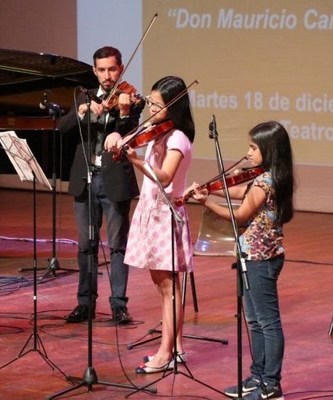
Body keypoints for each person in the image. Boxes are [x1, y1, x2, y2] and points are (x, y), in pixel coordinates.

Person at [187, 120, 294, 399]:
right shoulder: (268, 177)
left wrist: (205, 203)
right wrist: (211, 189)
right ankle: (257, 377)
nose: (248, 153)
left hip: (261, 258)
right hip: (250, 255)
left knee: (267, 322)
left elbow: (241, 214)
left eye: (253, 148)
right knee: (255, 321)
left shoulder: (267, 179)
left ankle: (271, 384)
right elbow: (239, 192)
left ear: (269, 151)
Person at [111, 75, 195, 373]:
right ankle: (178, 347)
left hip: (165, 216)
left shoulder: (177, 138)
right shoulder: (157, 133)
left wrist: (134, 159)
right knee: (163, 286)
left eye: (158, 105)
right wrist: (118, 135)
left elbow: (165, 177)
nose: (152, 109)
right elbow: (128, 139)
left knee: (168, 287)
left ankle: (165, 353)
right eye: (152, 102)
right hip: (151, 212)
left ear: (174, 106)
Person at [58, 46, 144, 325]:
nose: (107, 76)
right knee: (86, 245)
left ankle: (119, 304)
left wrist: (120, 123)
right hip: (86, 179)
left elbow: (132, 127)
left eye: (112, 69)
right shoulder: (83, 96)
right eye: (102, 70)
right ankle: (85, 304)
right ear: (95, 71)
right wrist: (81, 111)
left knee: (118, 245)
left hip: (114, 179)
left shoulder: (130, 99)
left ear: (120, 69)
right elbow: (63, 128)